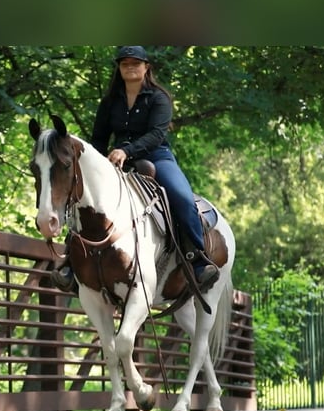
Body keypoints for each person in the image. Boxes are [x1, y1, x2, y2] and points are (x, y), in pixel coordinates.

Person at [52, 45, 219, 292]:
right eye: (125, 63)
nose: (130, 67)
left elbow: (156, 134)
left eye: (135, 63)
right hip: (116, 163)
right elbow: (98, 139)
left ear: (146, 67)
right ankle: (70, 262)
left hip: (157, 157)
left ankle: (197, 259)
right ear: (119, 69)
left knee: (181, 197)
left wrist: (127, 151)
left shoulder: (159, 98)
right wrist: (89, 166)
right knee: (83, 200)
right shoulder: (109, 103)